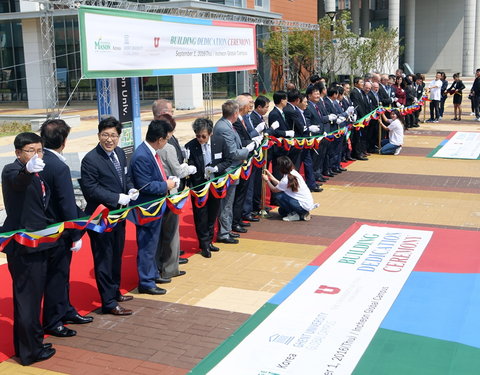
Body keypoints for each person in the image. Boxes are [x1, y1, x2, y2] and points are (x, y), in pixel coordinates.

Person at [2, 132, 56, 365]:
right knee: (27, 300)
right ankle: (29, 353)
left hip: (39, 242)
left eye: (39, 150)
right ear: (18, 153)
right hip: (24, 247)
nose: (37, 155)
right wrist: (28, 170)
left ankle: (32, 343)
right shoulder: (12, 170)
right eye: (30, 151)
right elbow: (18, 181)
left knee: (33, 299)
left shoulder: (38, 172)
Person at [40, 119, 93, 339]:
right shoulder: (58, 166)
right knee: (57, 276)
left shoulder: (39, 160)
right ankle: (54, 320)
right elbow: (66, 203)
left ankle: (66, 310)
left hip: (45, 228)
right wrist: (75, 233)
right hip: (59, 230)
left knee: (60, 275)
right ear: (63, 140)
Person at [80, 117, 137, 315]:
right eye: (105, 135)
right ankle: (109, 302)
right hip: (100, 218)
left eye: (113, 135)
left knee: (116, 255)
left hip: (119, 214)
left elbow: (126, 177)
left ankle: (115, 291)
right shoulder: (90, 159)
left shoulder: (120, 153)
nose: (109, 139)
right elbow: (91, 189)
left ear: (119, 137)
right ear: (98, 135)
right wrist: (115, 197)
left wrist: (130, 190)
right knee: (104, 258)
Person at [130, 120, 177, 295]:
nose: (166, 143)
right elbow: (145, 186)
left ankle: (152, 273)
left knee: (153, 244)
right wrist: (166, 185)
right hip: (147, 209)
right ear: (159, 139)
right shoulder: (142, 155)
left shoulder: (151, 152)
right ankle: (146, 282)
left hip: (156, 207)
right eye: (166, 139)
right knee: (147, 246)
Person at [156, 113, 196, 281]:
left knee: (161, 233)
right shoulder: (167, 147)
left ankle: (162, 265)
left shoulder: (155, 145)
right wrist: (190, 168)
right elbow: (178, 171)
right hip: (171, 193)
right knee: (171, 232)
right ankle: (170, 267)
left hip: (160, 194)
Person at [185, 118, 232, 258]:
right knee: (201, 216)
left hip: (216, 185)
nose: (200, 139)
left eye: (203, 136)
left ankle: (210, 240)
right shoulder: (190, 146)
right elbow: (190, 164)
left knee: (213, 214)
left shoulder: (220, 141)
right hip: (200, 186)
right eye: (197, 135)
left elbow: (228, 160)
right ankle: (204, 244)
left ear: (210, 133)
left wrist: (216, 168)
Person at [212, 100, 256, 244]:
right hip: (229, 170)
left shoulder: (226, 125)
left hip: (233, 169)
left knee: (229, 203)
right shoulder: (224, 127)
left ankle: (227, 229)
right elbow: (233, 153)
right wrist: (248, 149)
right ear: (235, 113)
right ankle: (224, 233)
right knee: (226, 203)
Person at [262, 156, 317, 222]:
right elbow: (280, 184)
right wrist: (269, 175)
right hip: (305, 203)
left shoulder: (287, 178)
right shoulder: (293, 172)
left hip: (301, 204)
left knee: (279, 196)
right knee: (282, 212)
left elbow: (274, 189)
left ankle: (295, 214)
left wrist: (267, 180)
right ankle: (301, 214)